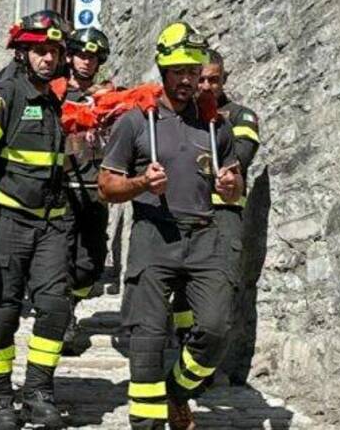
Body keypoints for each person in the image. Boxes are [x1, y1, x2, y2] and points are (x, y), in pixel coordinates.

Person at [98, 22, 244, 429]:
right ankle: (145, 424)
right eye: (179, 71)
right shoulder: (135, 122)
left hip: (203, 234)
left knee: (216, 328)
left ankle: (177, 393)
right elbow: (106, 187)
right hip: (153, 233)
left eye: (193, 71)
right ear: (163, 70)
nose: (188, 79)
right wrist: (142, 182)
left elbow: (234, 186)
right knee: (145, 340)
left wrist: (232, 184)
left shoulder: (215, 125)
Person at [0, 10, 71, 430]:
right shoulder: (7, 93)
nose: (47, 58)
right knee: (2, 315)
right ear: (23, 53)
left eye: (54, 51)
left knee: (56, 308)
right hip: (9, 222)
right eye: (40, 50)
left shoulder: (55, 97)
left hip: (53, 224)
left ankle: (39, 391)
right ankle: (0, 397)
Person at [171, 49, 261, 355]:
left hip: (223, 212)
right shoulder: (182, 115)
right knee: (182, 287)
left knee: (220, 285)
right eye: (203, 79)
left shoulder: (240, 116)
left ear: (224, 79)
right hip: (185, 211)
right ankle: (187, 347)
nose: (208, 86)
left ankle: (206, 357)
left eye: (215, 79)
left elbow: (238, 160)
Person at [60, 27, 112, 353]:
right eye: (81, 54)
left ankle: (71, 302)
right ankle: (62, 316)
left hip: (96, 187)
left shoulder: (107, 97)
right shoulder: (55, 93)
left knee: (90, 264)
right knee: (62, 256)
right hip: (63, 187)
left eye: (91, 56)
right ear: (70, 56)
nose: (85, 61)